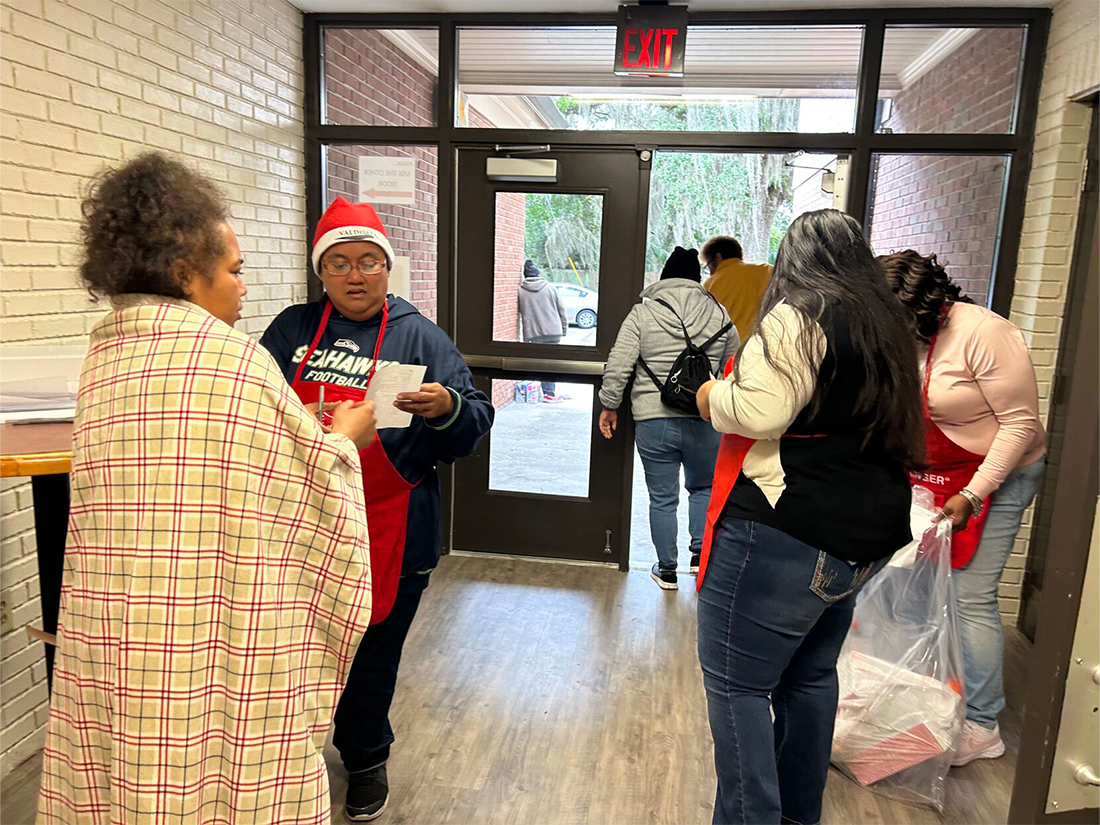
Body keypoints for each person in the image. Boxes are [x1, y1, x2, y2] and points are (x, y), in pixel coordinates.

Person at [39, 153, 377, 824]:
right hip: (206, 632)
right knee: (217, 763)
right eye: (234, 270)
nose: (243, 287)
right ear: (184, 271)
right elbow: (309, 494)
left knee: (125, 768)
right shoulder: (230, 359)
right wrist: (346, 441)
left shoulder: (105, 358)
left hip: (118, 632)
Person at [260, 196, 494, 822]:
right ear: (321, 271)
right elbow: (252, 413)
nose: (355, 274)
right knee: (296, 650)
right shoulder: (289, 331)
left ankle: (364, 758)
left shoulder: (419, 335)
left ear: (388, 268)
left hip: (395, 524)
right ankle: (287, 756)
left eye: (368, 261)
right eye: (338, 263)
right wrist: (299, 420)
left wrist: (447, 407)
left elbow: (474, 424)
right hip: (302, 521)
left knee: (371, 656)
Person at [694, 210, 925, 825]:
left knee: (736, 686)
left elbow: (761, 411)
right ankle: (799, 815)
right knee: (810, 678)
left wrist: (709, 394)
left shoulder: (800, 314)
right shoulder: (887, 324)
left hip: (784, 534)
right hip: (863, 535)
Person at [879, 250, 1046, 765]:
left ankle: (981, 723)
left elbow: (1019, 426)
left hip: (1000, 472)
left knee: (971, 595)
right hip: (936, 474)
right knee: (918, 585)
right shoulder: (905, 338)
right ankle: (930, 688)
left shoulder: (984, 334)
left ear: (920, 306)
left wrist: (974, 494)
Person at [598, 246, 738, 590]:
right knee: (703, 488)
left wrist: (609, 404)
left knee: (662, 497)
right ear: (696, 279)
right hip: (706, 419)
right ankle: (698, 557)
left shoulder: (642, 314)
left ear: (663, 278)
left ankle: (667, 570)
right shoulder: (719, 314)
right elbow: (737, 365)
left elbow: (619, 364)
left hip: (652, 419)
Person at [700, 235, 772, 341]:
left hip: (730, 352)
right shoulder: (768, 271)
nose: (710, 271)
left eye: (708, 264)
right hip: (766, 347)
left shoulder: (709, 285)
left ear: (718, 257)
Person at [517, 258, 568, 402]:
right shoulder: (550, 287)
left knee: (535, 362)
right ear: (538, 273)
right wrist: (563, 329)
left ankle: (538, 392)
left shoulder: (521, 290)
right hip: (553, 332)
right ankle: (549, 393)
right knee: (550, 363)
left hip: (533, 334)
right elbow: (561, 310)